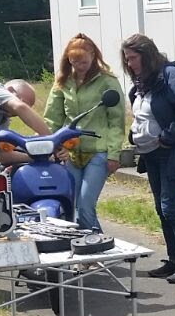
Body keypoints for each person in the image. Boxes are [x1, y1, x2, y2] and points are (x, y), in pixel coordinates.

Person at [121, 34, 175, 285]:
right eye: (126, 59)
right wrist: (135, 134)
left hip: (171, 152)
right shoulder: (143, 83)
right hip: (151, 153)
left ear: (147, 55)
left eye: (133, 58)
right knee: (161, 207)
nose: (129, 64)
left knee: (170, 207)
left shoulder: (170, 75)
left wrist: (169, 137)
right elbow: (145, 114)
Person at [44, 33, 126, 233]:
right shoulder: (63, 82)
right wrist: (52, 145)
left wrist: (114, 154)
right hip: (70, 152)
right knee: (70, 205)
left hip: (99, 151)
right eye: (74, 62)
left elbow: (116, 121)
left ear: (93, 56)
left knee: (85, 204)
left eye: (83, 62)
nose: (79, 66)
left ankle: (96, 245)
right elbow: (52, 118)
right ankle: (91, 243)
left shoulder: (107, 81)